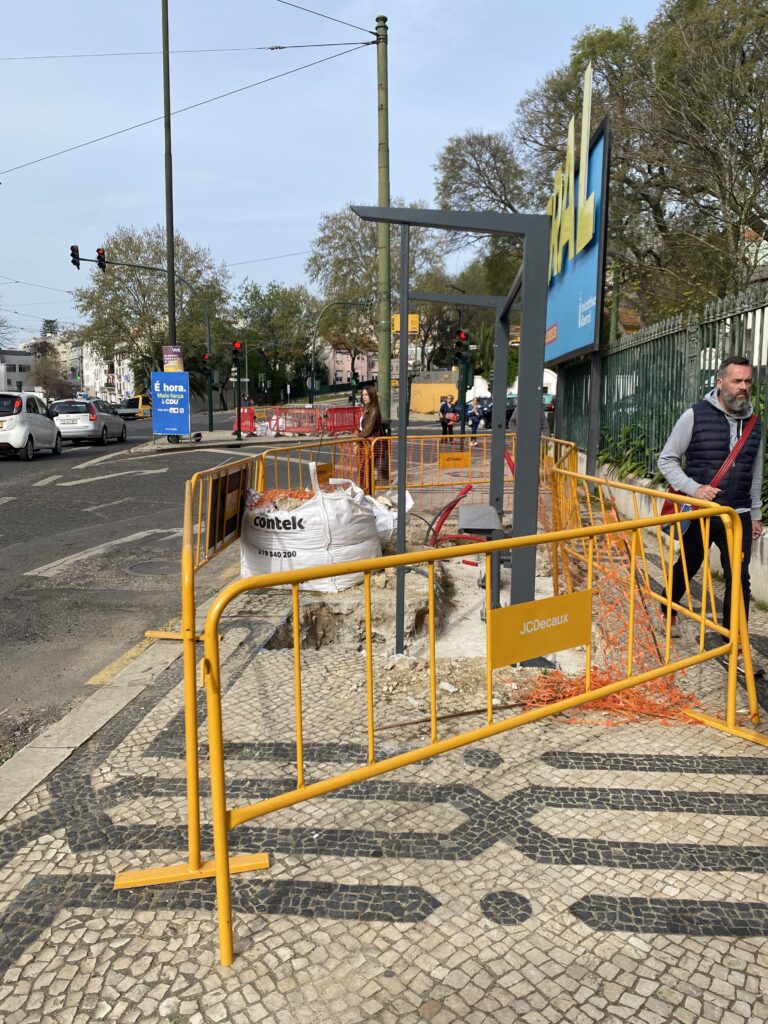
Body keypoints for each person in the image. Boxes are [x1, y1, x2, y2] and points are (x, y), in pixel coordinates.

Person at [657, 355, 763, 656]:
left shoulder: (755, 424)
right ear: (720, 382)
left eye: (747, 382)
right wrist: (695, 489)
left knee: (739, 577)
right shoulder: (695, 415)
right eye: (736, 381)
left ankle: (734, 643)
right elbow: (666, 459)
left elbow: (756, 472)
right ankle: (667, 606)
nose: (743, 387)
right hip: (701, 511)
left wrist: (755, 514)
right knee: (690, 563)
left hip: (737, 513)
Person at [358, 385, 384, 491]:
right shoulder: (367, 408)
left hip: (369, 445)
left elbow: (367, 430)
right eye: (363, 395)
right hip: (364, 444)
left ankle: (367, 494)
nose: (364, 397)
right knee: (364, 470)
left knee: (366, 471)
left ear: (372, 395)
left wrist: (356, 438)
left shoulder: (373, 410)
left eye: (366, 395)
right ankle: (365, 493)